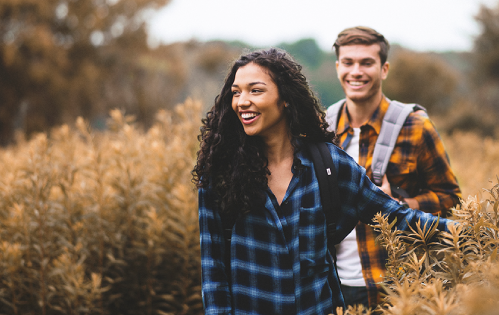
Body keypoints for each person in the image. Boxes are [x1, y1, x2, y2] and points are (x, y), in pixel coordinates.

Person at [193, 48, 453, 315]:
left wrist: (472, 234)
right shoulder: (220, 173)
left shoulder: (328, 165)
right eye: (236, 92)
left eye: (255, 91)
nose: (241, 101)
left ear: (285, 98)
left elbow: (396, 216)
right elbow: (213, 272)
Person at [327, 26, 463, 309]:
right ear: (338, 66)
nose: (356, 72)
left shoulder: (415, 126)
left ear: (384, 68)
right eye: (348, 63)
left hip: (399, 285)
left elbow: (450, 197)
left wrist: (400, 203)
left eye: (367, 63)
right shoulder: (324, 127)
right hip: (336, 287)